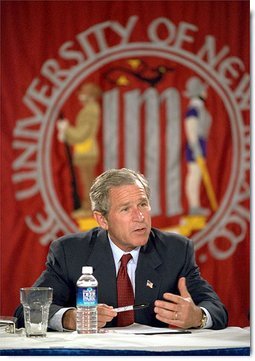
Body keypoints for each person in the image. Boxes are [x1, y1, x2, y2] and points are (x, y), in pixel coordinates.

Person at [14, 168, 228, 331]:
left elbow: (216, 308)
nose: (140, 217)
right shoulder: (70, 252)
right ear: (102, 219)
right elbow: (28, 311)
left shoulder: (176, 250)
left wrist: (198, 317)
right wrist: (70, 318)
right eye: (126, 209)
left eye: (143, 204)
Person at [57, 82, 102, 218]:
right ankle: (88, 207)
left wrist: (67, 130)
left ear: (90, 95)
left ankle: (89, 208)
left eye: (84, 93)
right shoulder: (90, 108)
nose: (81, 96)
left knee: (87, 181)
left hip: (87, 151)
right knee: (86, 181)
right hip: (85, 150)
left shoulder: (90, 110)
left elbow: (83, 133)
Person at [184, 76, 213, 216]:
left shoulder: (199, 108)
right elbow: (191, 128)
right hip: (195, 145)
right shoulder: (194, 108)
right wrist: (195, 148)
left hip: (200, 144)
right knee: (194, 176)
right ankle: (194, 207)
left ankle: (195, 206)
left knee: (197, 176)